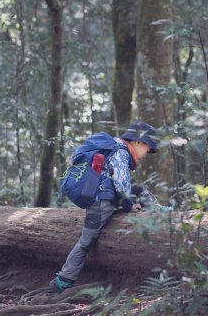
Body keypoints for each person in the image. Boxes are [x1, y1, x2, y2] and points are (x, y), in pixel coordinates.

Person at [50, 121, 159, 293]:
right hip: (101, 204)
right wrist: (129, 206)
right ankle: (63, 281)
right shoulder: (121, 152)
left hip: (104, 199)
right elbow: (121, 185)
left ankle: (160, 214)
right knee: (86, 242)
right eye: (147, 148)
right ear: (138, 142)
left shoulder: (113, 146)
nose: (146, 153)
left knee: (139, 190)